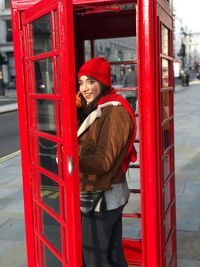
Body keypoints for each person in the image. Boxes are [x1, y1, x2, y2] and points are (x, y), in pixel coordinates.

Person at [76, 57, 137, 267]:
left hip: (103, 198)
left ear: (103, 82)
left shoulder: (115, 112)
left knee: (96, 260)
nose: (85, 88)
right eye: (81, 82)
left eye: (91, 81)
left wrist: (71, 160)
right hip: (104, 195)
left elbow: (103, 161)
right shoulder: (98, 108)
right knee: (112, 255)